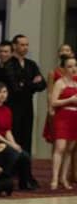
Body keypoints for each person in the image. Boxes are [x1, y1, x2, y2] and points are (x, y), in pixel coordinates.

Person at [0, 81, 37, 190]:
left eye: (5, 92)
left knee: (24, 154)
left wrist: (14, 144)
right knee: (15, 154)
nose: (2, 95)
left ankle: (25, 182)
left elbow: (8, 131)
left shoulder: (7, 110)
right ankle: (8, 179)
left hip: (4, 141)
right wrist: (10, 144)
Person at [4, 34, 46, 153]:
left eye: (27, 45)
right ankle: (13, 168)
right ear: (15, 46)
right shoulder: (9, 64)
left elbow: (42, 84)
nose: (25, 47)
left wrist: (25, 83)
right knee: (15, 134)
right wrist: (32, 83)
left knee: (27, 136)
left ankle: (25, 167)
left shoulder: (31, 64)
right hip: (13, 106)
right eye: (22, 45)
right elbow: (15, 87)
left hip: (28, 105)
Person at [48, 55, 77, 190]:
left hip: (74, 117)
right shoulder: (60, 82)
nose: (73, 69)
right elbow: (54, 102)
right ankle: (54, 178)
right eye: (70, 66)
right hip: (63, 116)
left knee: (70, 150)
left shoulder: (76, 83)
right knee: (60, 147)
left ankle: (64, 178)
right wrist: (69, 100)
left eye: (75, 66)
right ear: (64, 68)